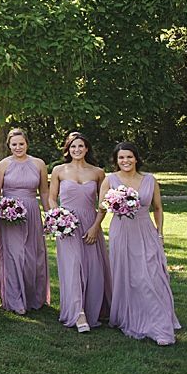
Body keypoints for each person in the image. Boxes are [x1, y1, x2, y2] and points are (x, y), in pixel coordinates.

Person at [105, 141, 180, 345]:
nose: (125, 161)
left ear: (136, 158)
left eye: (129, 156)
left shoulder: (150, 180)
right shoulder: (109, 180)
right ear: (116, 161)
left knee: (151, 276)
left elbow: (157, 208)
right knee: (128, 276)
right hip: (121, 232)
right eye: (121, 157)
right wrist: (94, 228)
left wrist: (160, 234)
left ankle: (160, 327)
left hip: (146, 230)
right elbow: (102, 208)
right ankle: (130, 316)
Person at [47, 132, 112, 332]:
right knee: (72, 267)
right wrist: (58, 217)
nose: (77, 150)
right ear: (67, 149)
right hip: (67, 226)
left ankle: (93, 309)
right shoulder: (59, 170)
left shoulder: (98, 173)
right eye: (73, 146)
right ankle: (78, 313)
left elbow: (104, 203)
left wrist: (96, 226)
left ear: (87, 149)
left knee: (92, 268)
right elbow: (51, 198)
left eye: (81, 146)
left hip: (90, 224)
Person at [0, 128, 50, 314]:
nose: (18, 147)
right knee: (13, 255)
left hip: (32, 211)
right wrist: (4, 210)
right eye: (14, 144)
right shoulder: (3, 165)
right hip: (9, 215)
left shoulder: (39, 163)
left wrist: (49, 215)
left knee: (33, 256)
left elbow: (44, 192)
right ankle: (14, 299)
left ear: (27, 143)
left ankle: (34, 297)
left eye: (21, 144)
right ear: (9, 145)